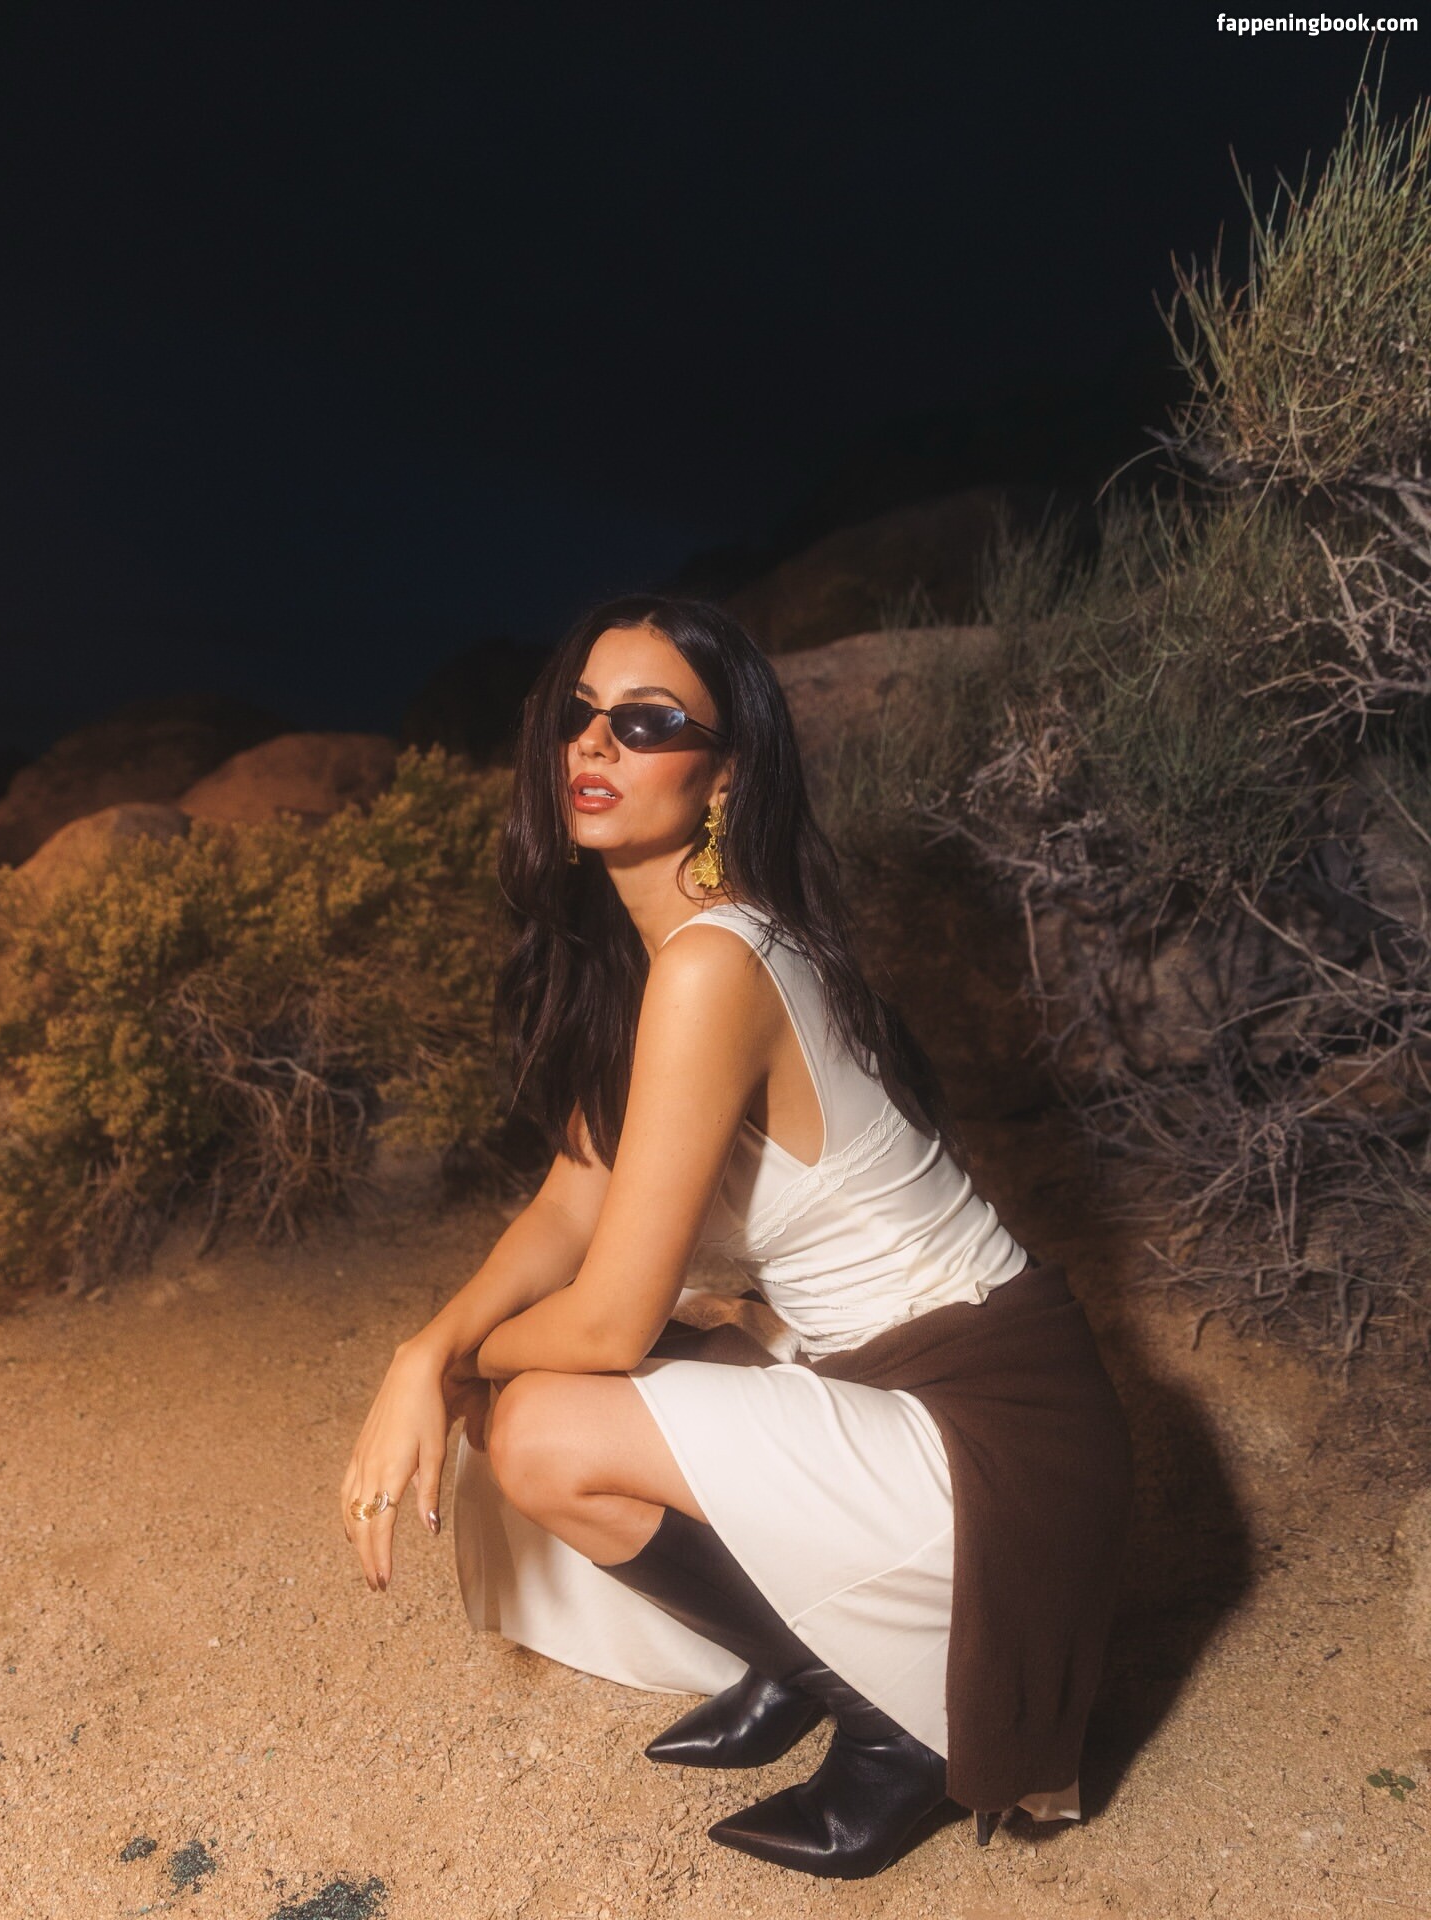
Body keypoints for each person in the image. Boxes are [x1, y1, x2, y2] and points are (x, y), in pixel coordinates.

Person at [341, 594, 1133, 1881]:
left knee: (540, 1422)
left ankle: (898, 1728)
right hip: (888, 1394)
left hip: (998, 1445)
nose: (595, 745)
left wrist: (446, 1366)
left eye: (648, 722)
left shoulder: (717, 963)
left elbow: (606, 1319)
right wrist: (429, 1345)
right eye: (579, 715)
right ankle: (804, 1663)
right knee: (561, 1376)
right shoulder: (659, 959)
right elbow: (571, 1201)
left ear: (725, 774)